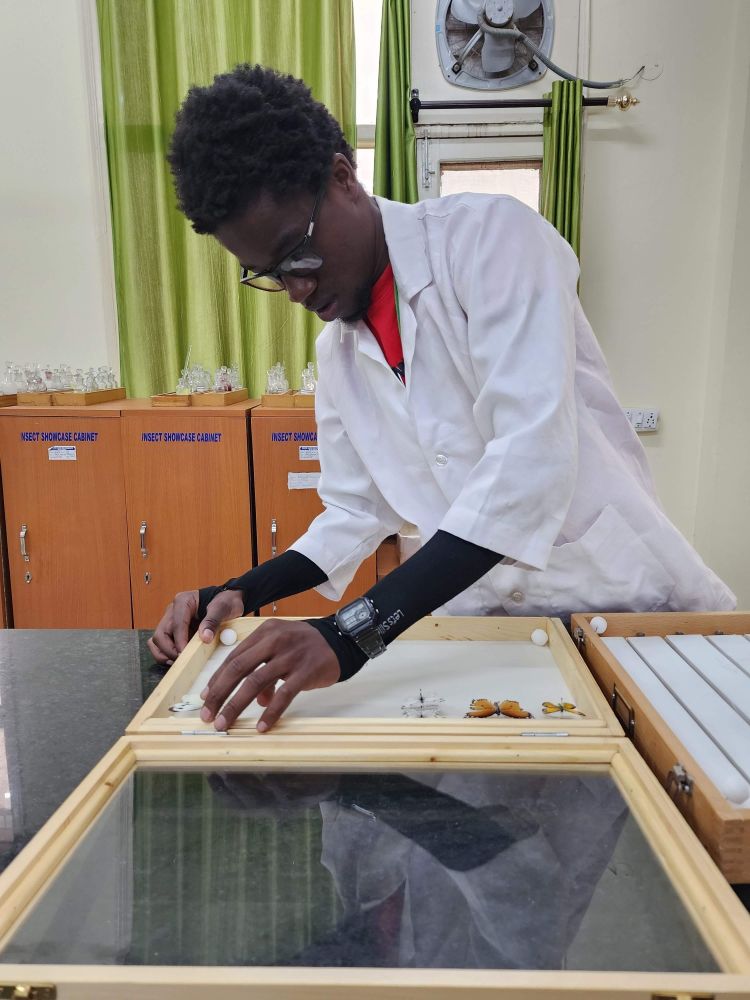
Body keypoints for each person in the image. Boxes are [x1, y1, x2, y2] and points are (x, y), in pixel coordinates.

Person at [150, 64, 734, 732]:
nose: (296, 290)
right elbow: (352, 511)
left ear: (343, 178)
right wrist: (238, 590)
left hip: (617, 608)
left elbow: (528, 465)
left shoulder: (492, 242)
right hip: (484, 629)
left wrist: (351, 633)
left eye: (296, 254)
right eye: (270, 274)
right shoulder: (338, 356)